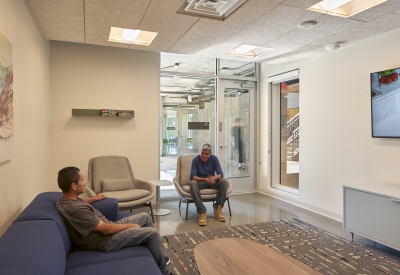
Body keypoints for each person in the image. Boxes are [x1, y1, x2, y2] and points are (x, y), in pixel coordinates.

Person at [56, 166, 172, 275]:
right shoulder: (76, 210)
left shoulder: (66, 200)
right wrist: (130, 226)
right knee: (152, 234)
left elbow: (80, 202)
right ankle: (163, 270)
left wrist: (94, 198)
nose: (85, 182)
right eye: (82, 179)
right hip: (105, 241)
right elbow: (106, 230)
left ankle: (156, 255)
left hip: (108, 227)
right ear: (73, 186)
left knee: (145, 216)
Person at [189, 143, 229, 226]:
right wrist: (205, 179)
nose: (204, 156)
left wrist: (214, 178)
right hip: (200, 182)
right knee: (192, 183)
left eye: (206, 154)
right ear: (200, 152)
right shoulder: (195, 160)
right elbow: (193, 177)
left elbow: (220, 174)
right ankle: (202, 212)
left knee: (224, 181)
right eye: (202, 153)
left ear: (210, 154)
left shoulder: (214, 159)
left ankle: (218, 209)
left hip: (212, 182)